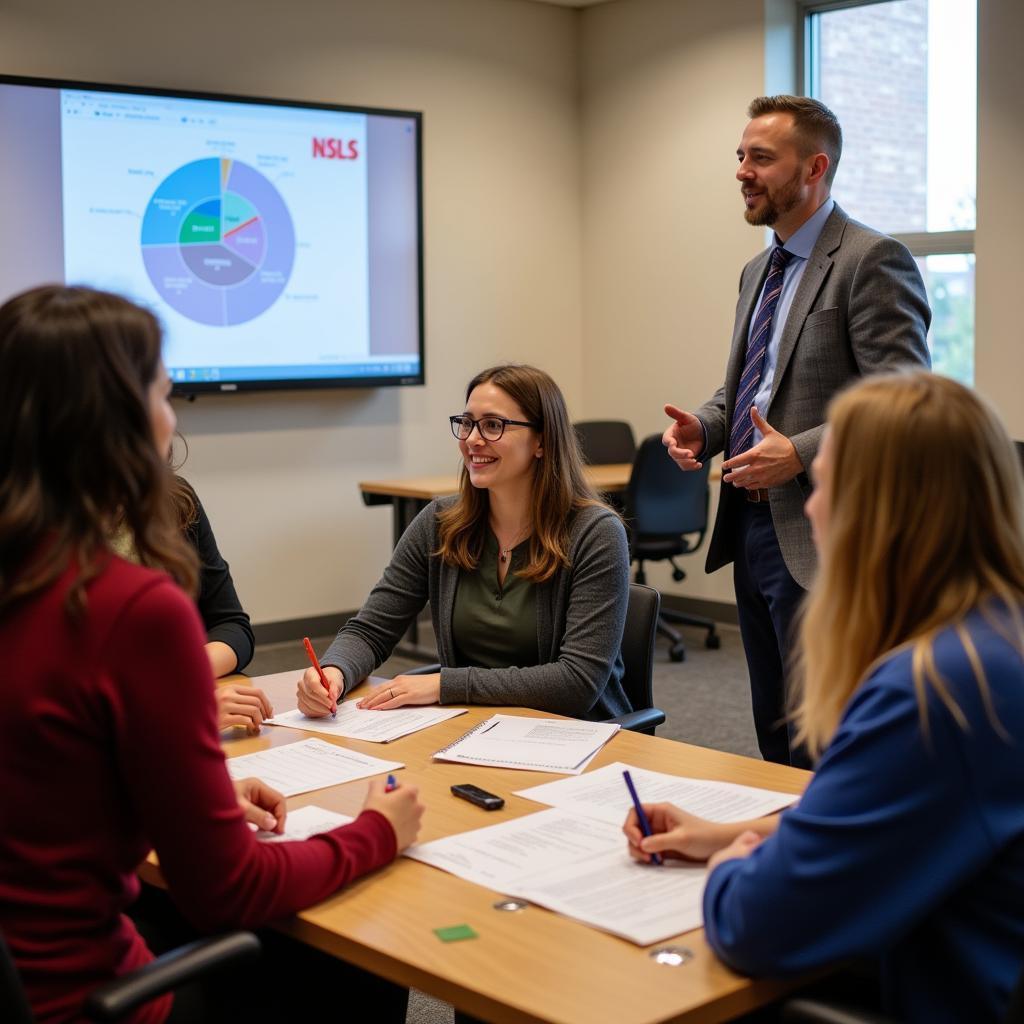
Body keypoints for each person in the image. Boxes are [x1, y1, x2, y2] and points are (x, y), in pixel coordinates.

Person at [0, 285, 424, 1023]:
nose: (172, 417)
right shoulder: (127, 607)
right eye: (164, 394)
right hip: (90, 1000)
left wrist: (195, 798)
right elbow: (229, 890)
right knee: (358, 951)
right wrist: (374, 834)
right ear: (119, 421)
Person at [628, 371, 1024, 1022]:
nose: (810, 507)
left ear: (880, 512)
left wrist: (731, 863)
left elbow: (755, 925)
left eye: (826, 484)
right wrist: (733, 831)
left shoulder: (932, 690)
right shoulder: (992, 640)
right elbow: (892, 813)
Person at [662, 94, 931, 768]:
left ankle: (831, 862)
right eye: (740, 156)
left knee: (826, 730)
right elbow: (754, 388)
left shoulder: (872, 260)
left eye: (760, 157)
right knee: (773, 725)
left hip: (827, 533)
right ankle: (777, 849)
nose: (742, 171)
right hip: (751, 527)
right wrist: (707, 424)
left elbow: (903, 401)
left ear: (814, 167)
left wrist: (801, 454)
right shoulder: (760, 269)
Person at [296, 363, 631, 720]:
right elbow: (372, 629)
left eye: (493, 425)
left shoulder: (596, 533)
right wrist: (333, 673)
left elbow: (576, 684)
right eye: (467, 423)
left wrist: (444, 685)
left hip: (575, 737)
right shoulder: (440, 523)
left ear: (542, 441)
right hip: (472, 728)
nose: (472, 438)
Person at [113, 469, 271, 733]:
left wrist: (185, 675)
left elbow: (231, 626)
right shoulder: (44, 523)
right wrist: (178, 702)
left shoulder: (174, 498)